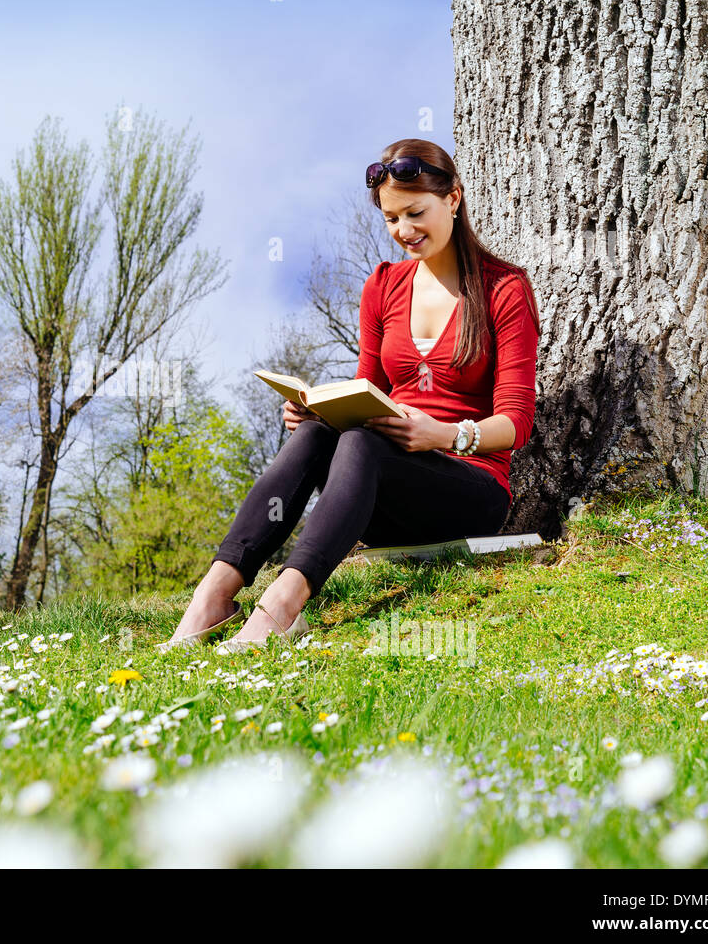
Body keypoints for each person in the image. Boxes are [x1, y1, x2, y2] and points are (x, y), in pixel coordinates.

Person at [159, 138, 542, 652]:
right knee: (322, 433)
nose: (403, 231)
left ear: (453, 198)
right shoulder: (382, 286)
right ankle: (215, 595)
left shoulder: (504, 290)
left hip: (468, 491)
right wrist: (315, 409)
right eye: (390, 219)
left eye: (415, 212)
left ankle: (281, 608)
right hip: (383, 497)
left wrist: (443, 434)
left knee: (360, 445)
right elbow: (369, 391)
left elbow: (516, 423)